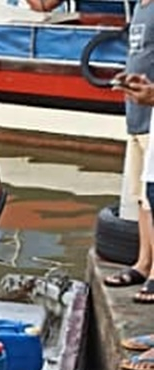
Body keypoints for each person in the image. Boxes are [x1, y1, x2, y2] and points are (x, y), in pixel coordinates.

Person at [104, 0, 154, 299]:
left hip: (151, 114)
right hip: (137, 116)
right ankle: (143, 261)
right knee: (140, 196)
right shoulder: (140, 7)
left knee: (153, 197)